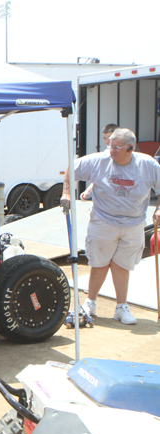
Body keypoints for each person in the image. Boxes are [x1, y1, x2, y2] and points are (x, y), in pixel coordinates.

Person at [62, 128, 160, 325]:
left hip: (133, 223)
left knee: (122, 265)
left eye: (116, 147)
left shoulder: (147, 164)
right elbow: (71, 169)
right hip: (103, 220)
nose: (111, 150)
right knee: (99, 262)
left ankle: (121, 307)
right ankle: (90, 302)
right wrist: (66, 192)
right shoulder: (100, 160)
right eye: (110, 146)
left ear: (130, 148)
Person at [81, 123, 119, 201]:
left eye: (109, 137)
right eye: (104, 138)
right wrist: (88, 191)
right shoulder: (106, 154)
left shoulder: (127, 152)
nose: (107, 141)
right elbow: (100, 175)